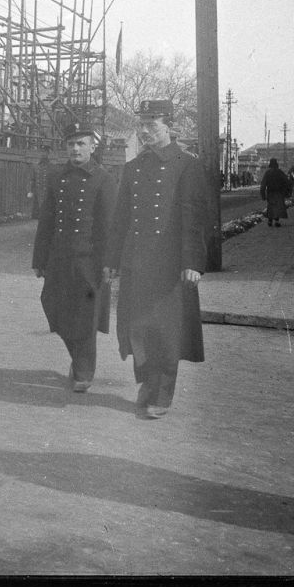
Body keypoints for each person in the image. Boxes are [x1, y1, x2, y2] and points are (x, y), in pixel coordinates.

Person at [109, 100, 207, 419]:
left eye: (153, 123)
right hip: (137, 262)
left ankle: (162, 392)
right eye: (143, 123)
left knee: (166, 331)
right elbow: (120, 218)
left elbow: (193, 217)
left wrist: (192, 262)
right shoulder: (134, 167)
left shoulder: (187, 165)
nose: (145, 129)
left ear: (170, 127)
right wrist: (112, 260)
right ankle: (147, 381)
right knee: (138, 327)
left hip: (170, 265)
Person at [33, 121, 117, 393]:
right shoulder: (57, 176)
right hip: (59, 259)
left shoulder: (104, 179)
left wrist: (109, 262)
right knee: (54, 308)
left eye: (81, 143)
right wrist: (40, 258)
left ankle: (84, 370)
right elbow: (46, 220)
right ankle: (78, 359)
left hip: (88, 261)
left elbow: (108, 225)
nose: (75, 149)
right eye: (70, 144)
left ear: (93, 146)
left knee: (85, 318)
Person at [261, 157, 290, 226]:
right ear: (276, 164)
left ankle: (270, 221)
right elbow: (287, 182)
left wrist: (263, 194)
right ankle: (276, 221)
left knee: (271, 206)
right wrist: (287, 192)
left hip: (270, 192)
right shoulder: (280, 172)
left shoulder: (267, 173)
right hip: (279, 192)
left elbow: (263, 184)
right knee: (278, 206)